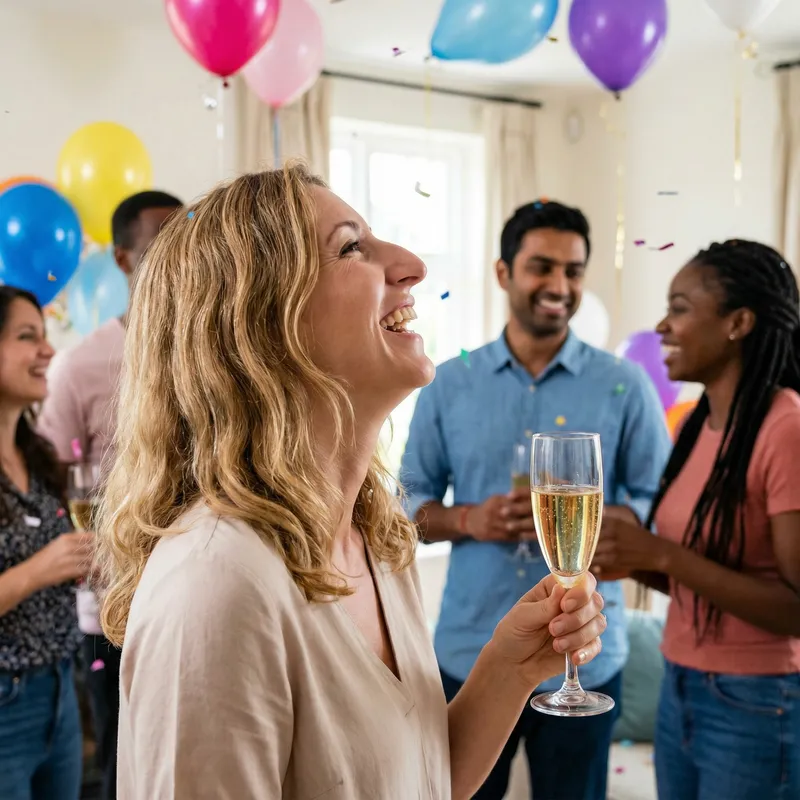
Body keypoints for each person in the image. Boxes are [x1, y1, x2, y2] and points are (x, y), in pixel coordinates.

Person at [94, 165, 607, 799]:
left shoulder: (377, 537)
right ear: (261, 324)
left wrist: (512, 664)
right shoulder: (216, 585)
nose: (412, 266)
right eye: (351, 247)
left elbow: (421, 781)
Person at [400, 200, 671, 800]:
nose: (560, 286)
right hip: (470, 652)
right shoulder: (448, 382)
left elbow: (660, 501)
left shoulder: (625, 384)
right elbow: (404, 506)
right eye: (542, 267)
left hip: (588, 654)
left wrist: (609, 523)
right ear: (503, 273)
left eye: (573, 271)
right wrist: (469, 518)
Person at [593, 239, 800, 800]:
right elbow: (698, 577)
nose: (661, 326)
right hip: (679, 683)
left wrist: (660, 554)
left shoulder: (785, 428)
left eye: (679, 308)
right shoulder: (694, 426)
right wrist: (634, 561)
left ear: (738, 323)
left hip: (757, 700)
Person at [38, 190, 182, 800]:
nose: (178, 257)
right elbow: (49, 483)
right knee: (126, 763)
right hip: (116, 607)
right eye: (159, 246)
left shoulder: (213, 348)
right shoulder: (80, 364)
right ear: (123, 260)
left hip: (199, 587)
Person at [0, 286, 94, 800]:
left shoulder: (37, 455)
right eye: (26, 337)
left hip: (60, 692)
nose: (48, 350)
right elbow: (40, 566)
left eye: (44, 335)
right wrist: (41, 569)